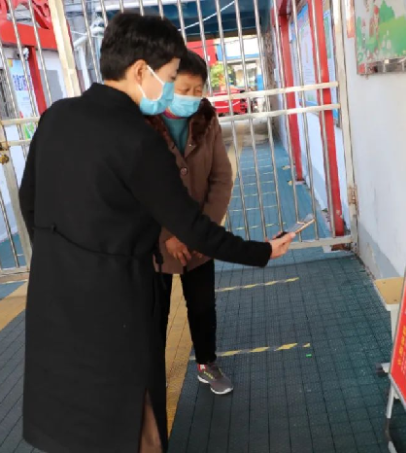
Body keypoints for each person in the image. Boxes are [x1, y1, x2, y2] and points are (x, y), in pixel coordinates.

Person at [18, 13, 294, 453]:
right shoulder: (136, 139)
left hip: (54, 289)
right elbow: (193, 228)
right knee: (133, 410)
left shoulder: (56, 117)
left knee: (70, 408)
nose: (168, 89)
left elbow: (29, 199)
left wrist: (60, 258)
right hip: (116, 297)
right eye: (168, 77)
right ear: (140, 70)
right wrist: (263, 251)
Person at [146, 51, 235, 395]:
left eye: (198, 90)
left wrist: (201, 232)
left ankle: (207, 364)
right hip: (157, 242)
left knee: (202, 306)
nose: (192, 97)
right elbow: (139, 189)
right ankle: (151, 375)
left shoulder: (207, 119)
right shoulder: (141, 122)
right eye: (184, 89)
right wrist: (168, 235)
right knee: (154, 311)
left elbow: (221, 178)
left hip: (199, 236)